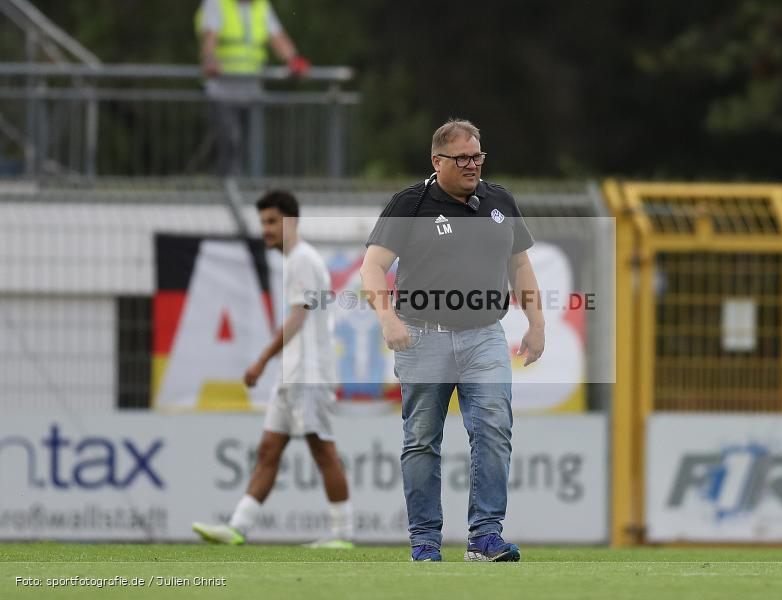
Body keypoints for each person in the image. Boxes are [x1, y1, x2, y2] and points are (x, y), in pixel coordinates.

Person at [359, 119, 545, 562]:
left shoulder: (500, 201)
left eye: (477, 156)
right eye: (461, 158)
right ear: (437, 160)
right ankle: (425, 540)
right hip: (423, 336)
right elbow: (371, 268)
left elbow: (520, 266)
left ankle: (485, 536)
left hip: (485, 337)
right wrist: (387, 318)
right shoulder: (411, 203)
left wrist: (536, 322)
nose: (472, 165)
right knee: (422, 440)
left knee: (494, 430)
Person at [193, 190, 353, 549]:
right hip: (291, 373)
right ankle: (238, 527)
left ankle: (343, 535)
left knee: (322, 449)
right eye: (263, 222)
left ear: (291, 222)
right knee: (268, 449)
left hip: (309, 374)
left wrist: (262, 359)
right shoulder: (293, 260)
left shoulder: (303, 260)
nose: (265, 229)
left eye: (272, 221)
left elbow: (298, 317)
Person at [195, 0, 311, 176]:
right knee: (229, 139)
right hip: (223, 88)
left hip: (251, 87)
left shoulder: (261, 6)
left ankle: (244, 183)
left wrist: (293, 60)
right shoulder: (217, 3)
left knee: (250, 143)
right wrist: (209, 58)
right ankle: (228, 185)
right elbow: (210, 35)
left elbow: (277, 36)